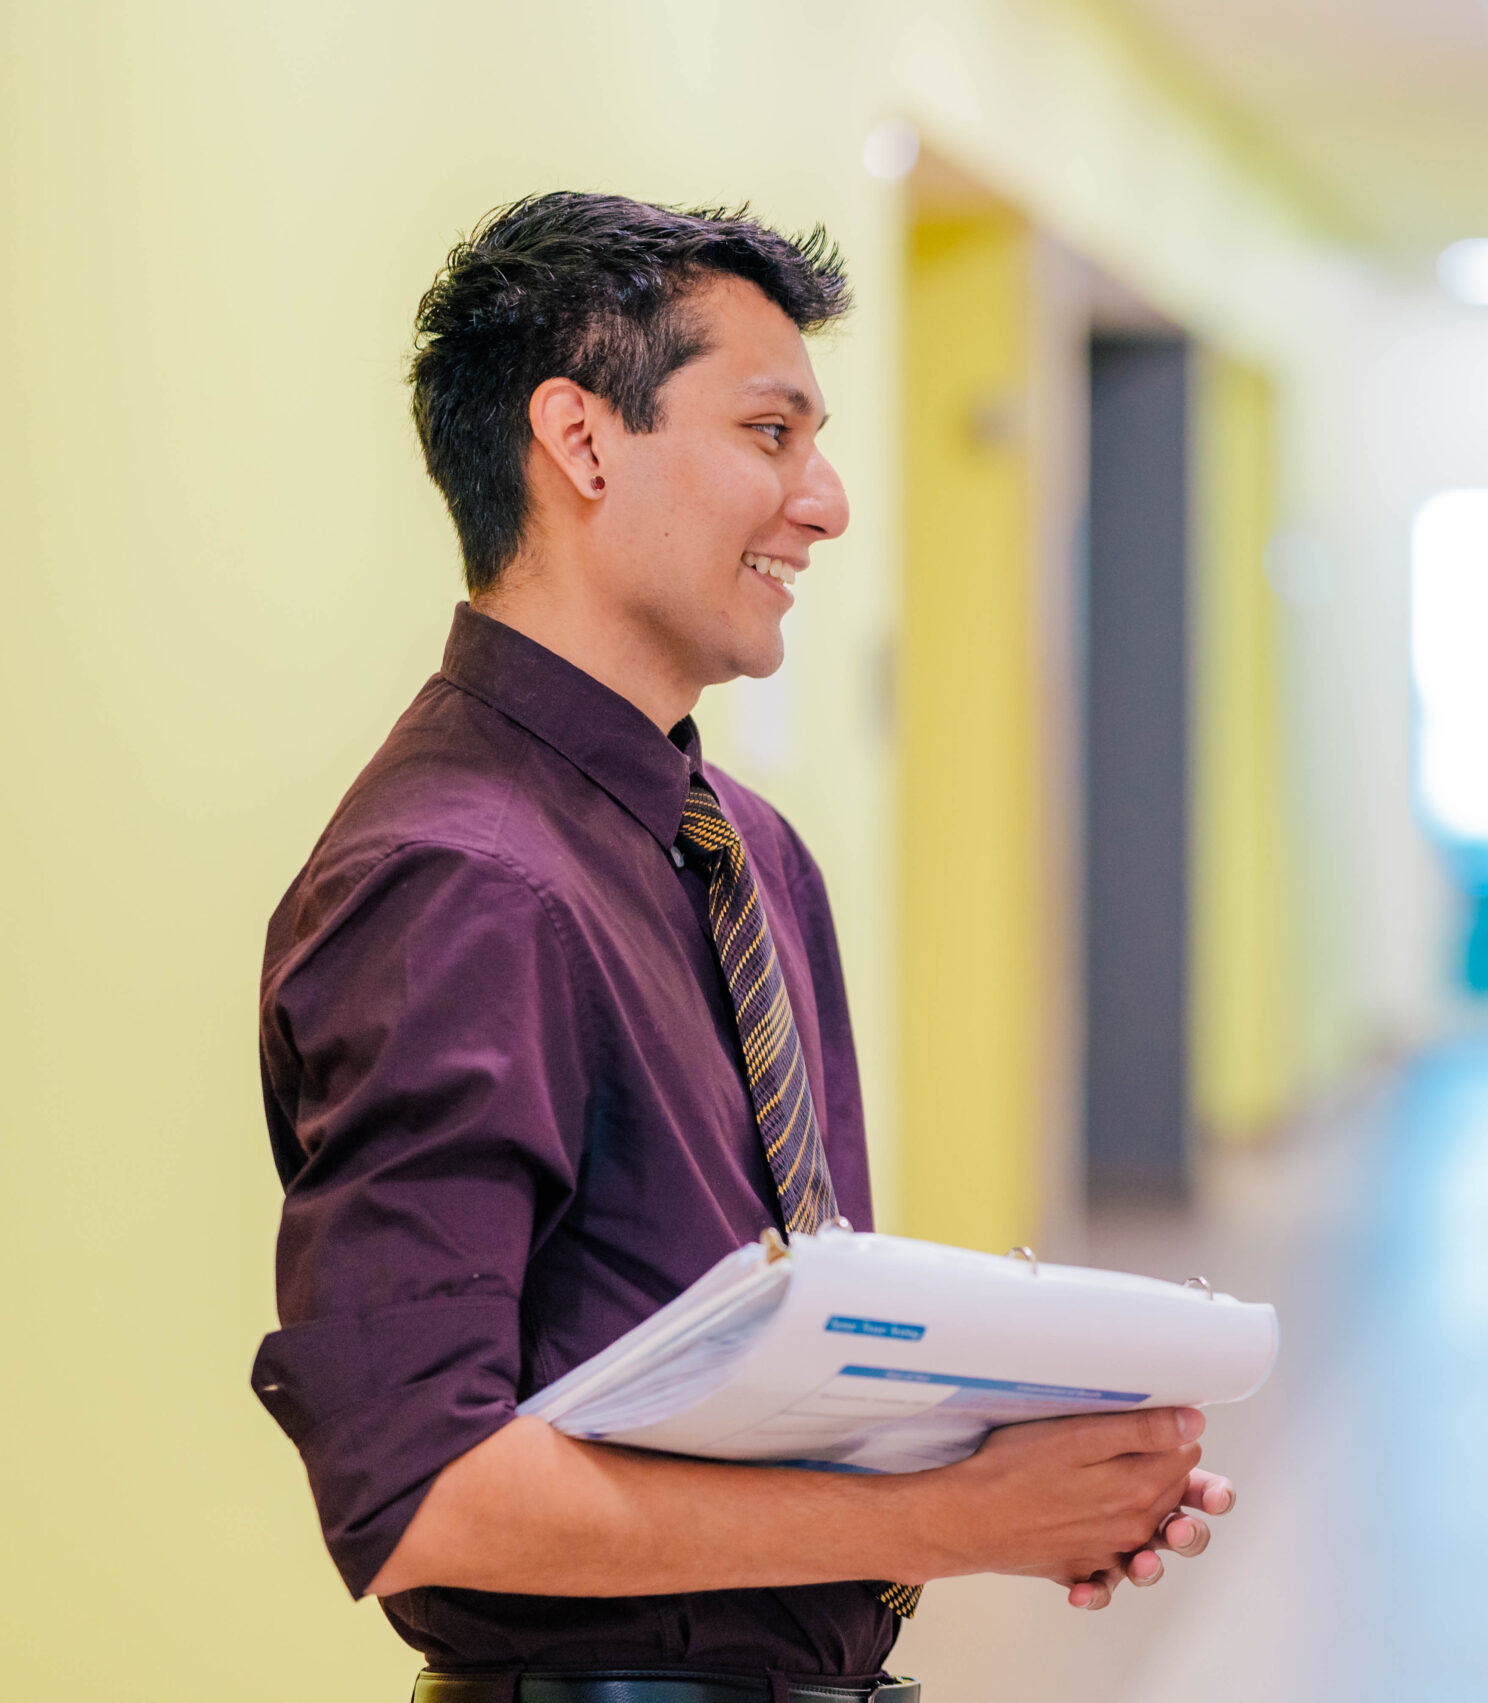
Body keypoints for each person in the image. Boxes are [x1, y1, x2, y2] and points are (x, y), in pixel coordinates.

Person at [251, 193, 1232, 1703]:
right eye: (772, 433)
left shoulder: (742, 846)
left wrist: (1024, 1465)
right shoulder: (455, 883)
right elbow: (420, 1495)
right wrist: (948, 1520)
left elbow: (772, 1346)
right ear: (581, 443)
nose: (827, 501)